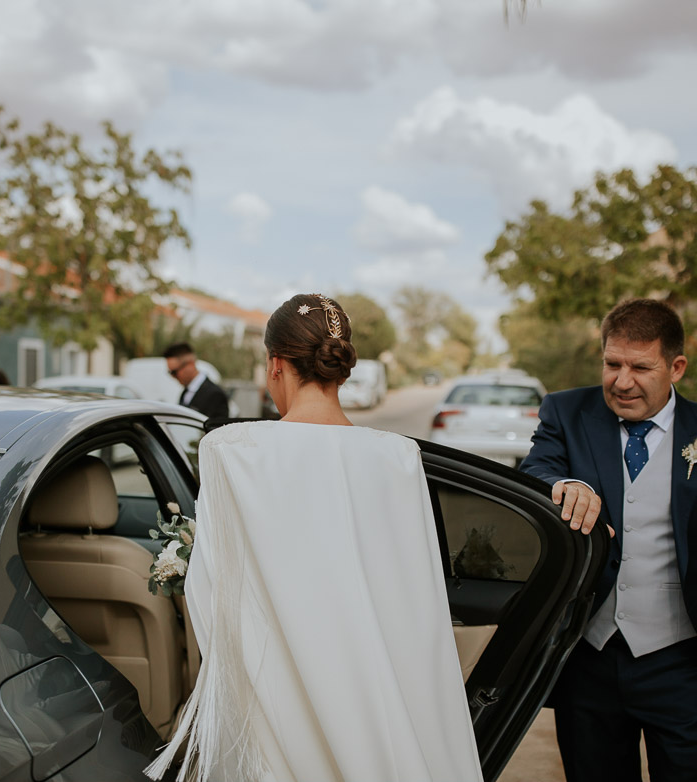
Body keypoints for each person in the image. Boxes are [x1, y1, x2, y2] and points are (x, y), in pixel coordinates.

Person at [146, 294, 484, 782]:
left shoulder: (231, 449)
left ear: (275, 364)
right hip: (373, 691)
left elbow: (211, 593)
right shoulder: (399, 457)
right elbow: (416, 592)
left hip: (272, 691)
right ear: (342, 371)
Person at [520, 298, 697, 782]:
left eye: (641, 367)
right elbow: (536, 469)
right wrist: (564, 484)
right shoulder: (566, 411)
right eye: (612, 364)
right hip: (590, 660)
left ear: (676, 367)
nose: (622, 381)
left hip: (684, 663)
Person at [163, 343, 229, 421]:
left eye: (174, 372)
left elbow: (217, 430)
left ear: (190, 364)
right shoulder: (185, 393)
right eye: (170, 372)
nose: (173, 377)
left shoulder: (215, 394)